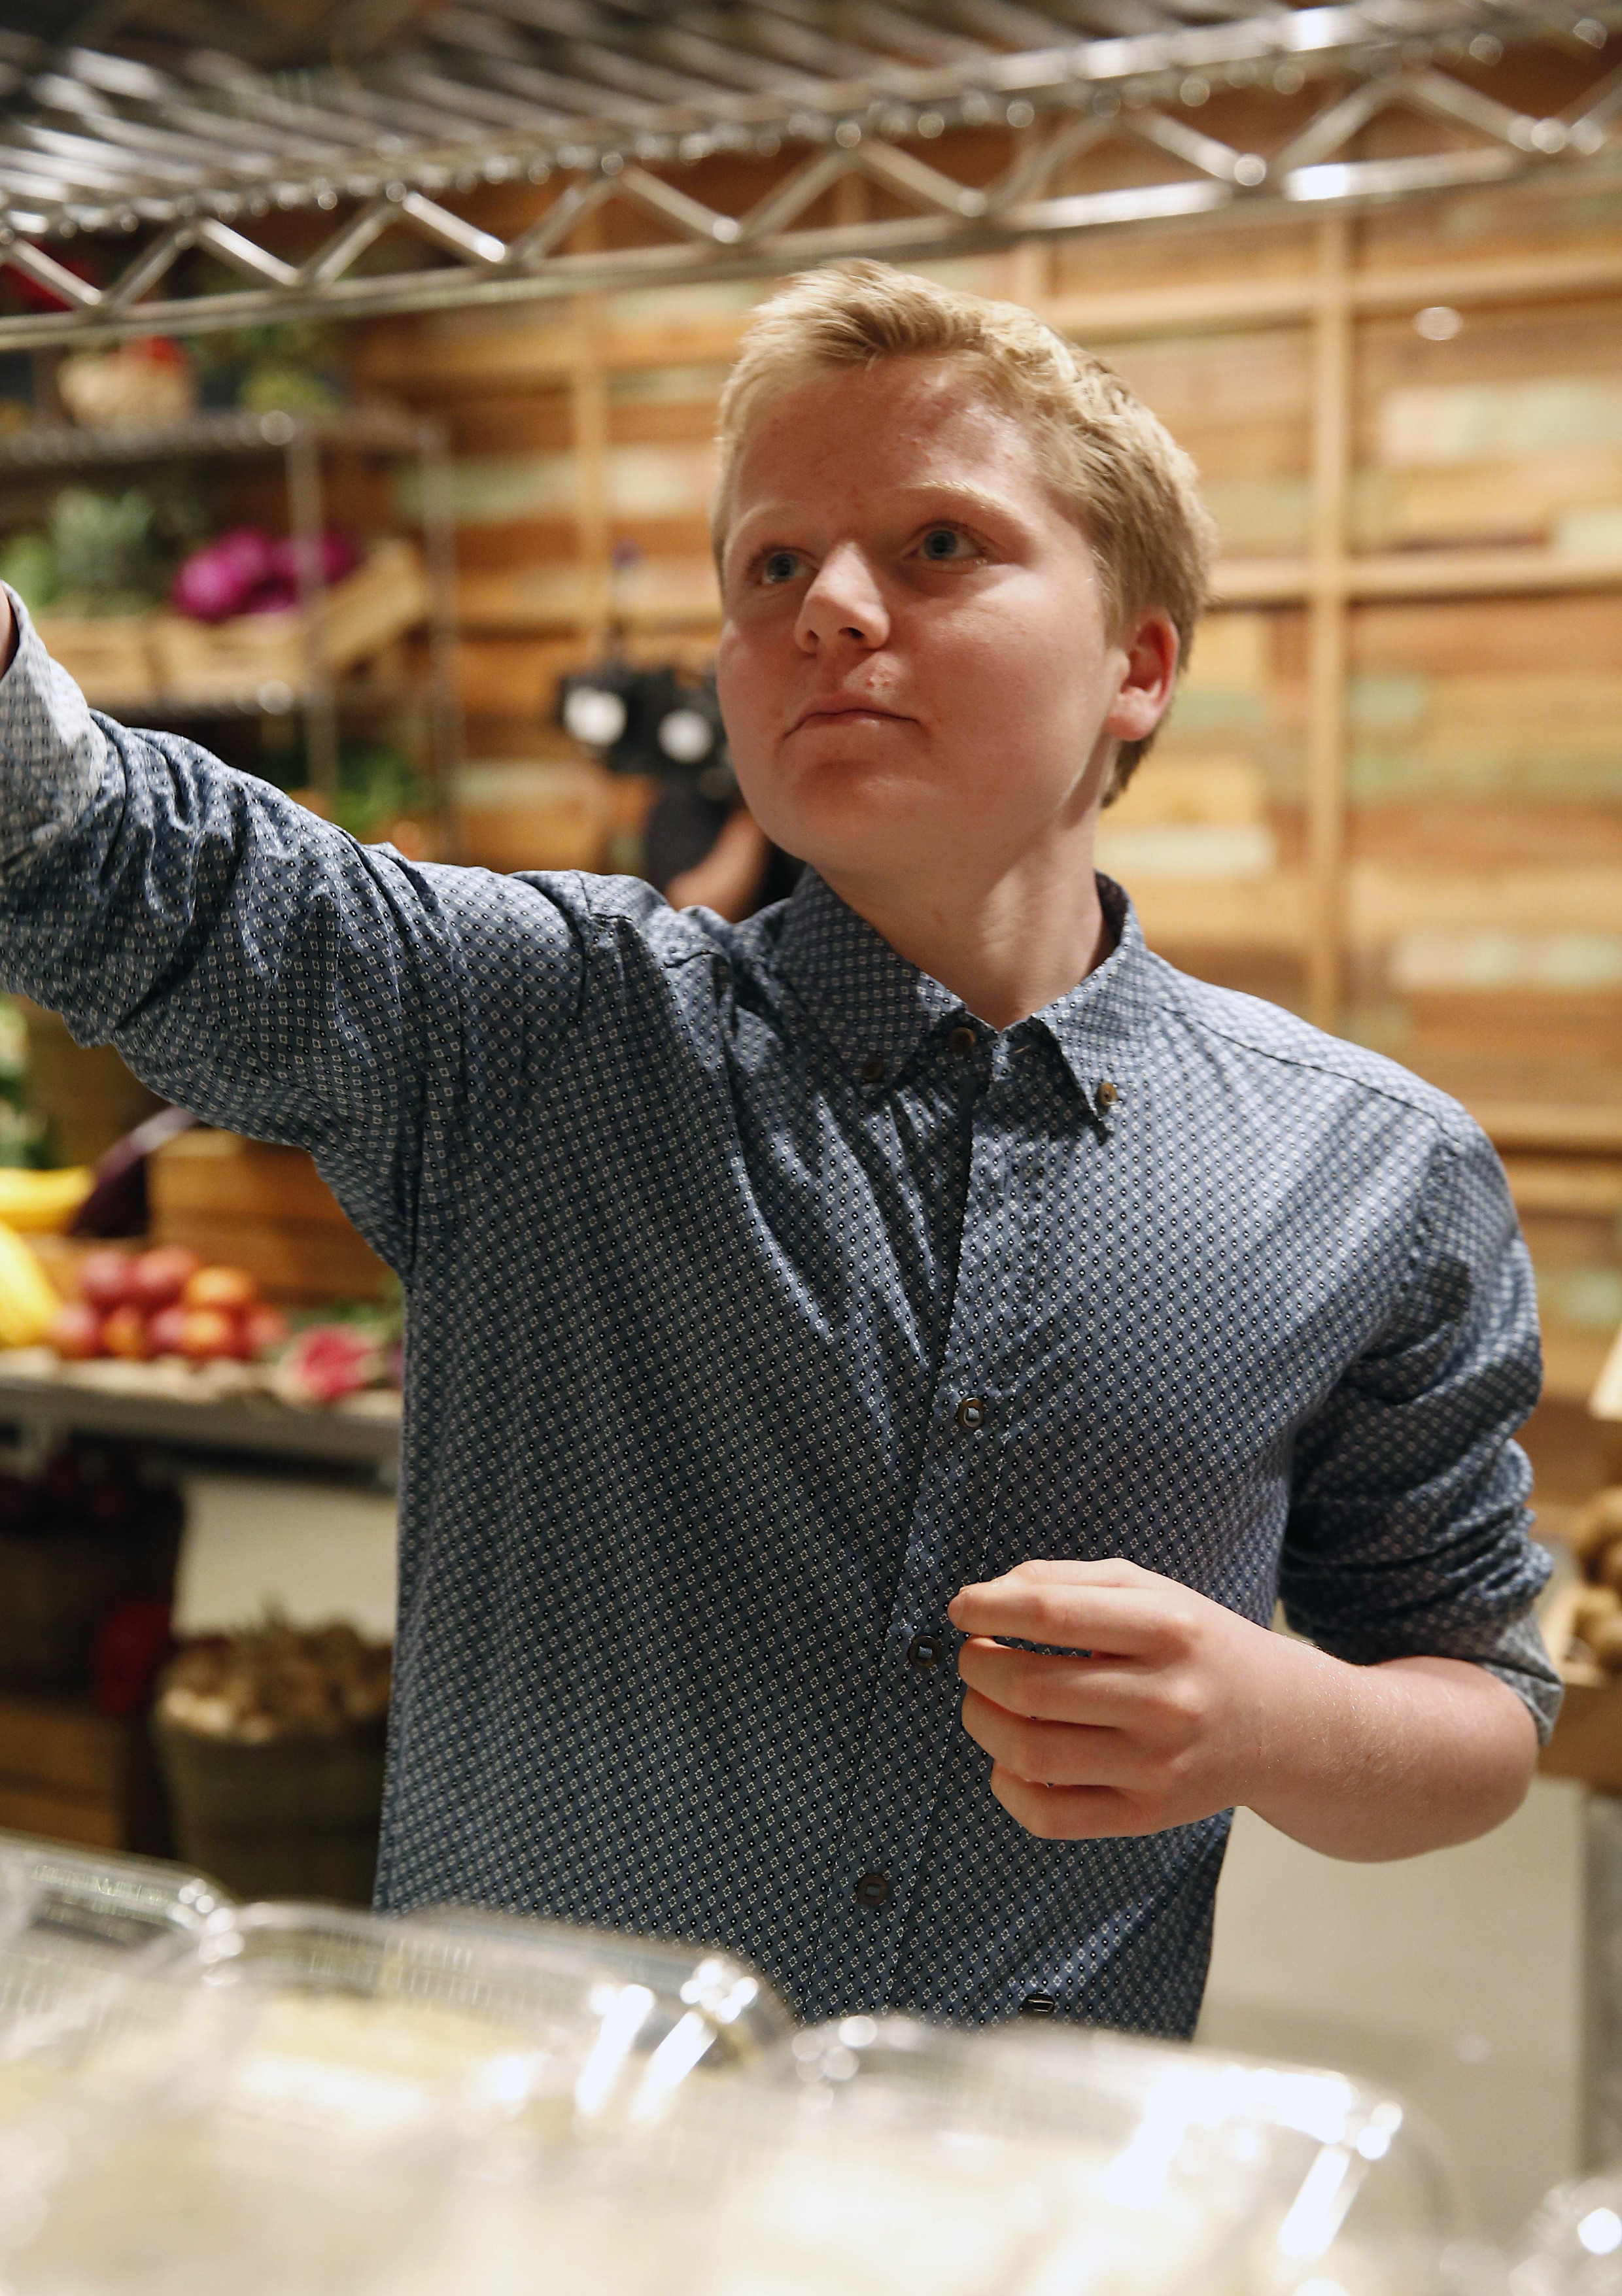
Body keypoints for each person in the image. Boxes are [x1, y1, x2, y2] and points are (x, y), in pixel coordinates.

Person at [0, 262, 1557, 2039]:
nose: (828, 605)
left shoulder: (1370, 1180)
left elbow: (1480, 1706)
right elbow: (135, 864)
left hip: (992, 2205)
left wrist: (1275, 1719)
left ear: (1138, 664)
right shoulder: (537, 1036)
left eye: (941, 547)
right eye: (769, 564)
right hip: (524, 2181)